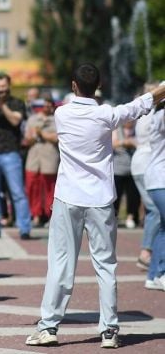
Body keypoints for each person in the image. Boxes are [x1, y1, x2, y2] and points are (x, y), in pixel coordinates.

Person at [25, 64, 165, 348]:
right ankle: (109, 330)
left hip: (68, 197)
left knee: (61, 263)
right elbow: (140, 105)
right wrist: (162, 89)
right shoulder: (106, 114)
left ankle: (49, 326)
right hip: (100, 198)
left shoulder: (62, 114)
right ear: (99, 85)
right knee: (106, 265)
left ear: (73, 86)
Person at [0, 72, 32, 239]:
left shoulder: (16, 103)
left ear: (9, 86)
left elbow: (15, 120)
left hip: (10, 152)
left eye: (3, 87)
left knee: (17, 193)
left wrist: (1, 104)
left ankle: (24, 228)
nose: (1, 90)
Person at [131, 82, 159, 271]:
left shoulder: (146, 113)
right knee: (156, 210)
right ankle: (146, 253)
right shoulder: (152, 113)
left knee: (153, 210)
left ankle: (151, 252)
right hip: (146, 164)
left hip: (143, 163)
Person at [23, 97, 59, 227]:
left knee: (50, 189)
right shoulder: (32, 119)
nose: (47, 107)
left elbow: (56, 138)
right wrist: (33, 136)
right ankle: (36, 215)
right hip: (34, 158)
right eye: (45, 104)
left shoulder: (57, 120)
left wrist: (41, 133)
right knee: (33, 187)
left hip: (49, 158)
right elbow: (27, 139)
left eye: (50, 105)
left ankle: (50, 216)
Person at [144, 95, 165, 291]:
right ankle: (161, 272)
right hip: (159, 180)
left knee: (163, 228)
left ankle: (153, 276)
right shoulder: (161, 116)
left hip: (158, 179)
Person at [112, 120, 139, 228]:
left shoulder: (137, 130)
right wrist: (126, 142)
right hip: (117, 170)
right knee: (116, 196)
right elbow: (113, 144)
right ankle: (114, 217)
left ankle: (131, 217)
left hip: (133, 170)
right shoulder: (117, 130)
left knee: (133, 196)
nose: (130, 121)